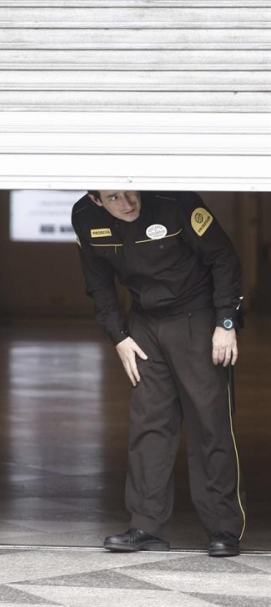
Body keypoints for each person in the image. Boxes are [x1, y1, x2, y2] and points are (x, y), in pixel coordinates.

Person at [71, 189, 245, 557]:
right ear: (96, 199)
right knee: (150, 422)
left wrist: (225, 321)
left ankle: (223, 528)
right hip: (145, 324)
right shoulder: (85, 217)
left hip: (197, 317)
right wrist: (118, 336)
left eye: (130, 192)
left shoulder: (174, 202)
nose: (128, 203)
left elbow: (223, 257)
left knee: (209, 421)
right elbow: (98, 282)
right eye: (114, 197)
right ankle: (145, 525)